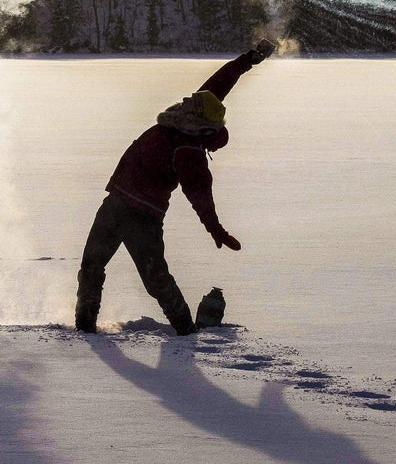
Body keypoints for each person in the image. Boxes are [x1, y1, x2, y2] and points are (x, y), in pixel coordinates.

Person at [74, 39, 276, 335]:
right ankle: (84, 328)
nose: (188, 101)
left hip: (143, 217)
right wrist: (249, 59)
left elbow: (200, 195)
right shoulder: (192, 113)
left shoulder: (188, 151)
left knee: (156, 280)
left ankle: (185, 330)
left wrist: (215, 228)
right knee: (91, 266)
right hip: (115, 202)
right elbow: (219, 83)